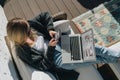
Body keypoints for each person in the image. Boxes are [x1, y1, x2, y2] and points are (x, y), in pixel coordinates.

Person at [7, 12, 120, 80]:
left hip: (62, 43)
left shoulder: (29, 25)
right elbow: (43, 65)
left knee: (95, 49)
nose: (30, 29)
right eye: (27, 30)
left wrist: (50, 29)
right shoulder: (22, 51)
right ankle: (117, 57)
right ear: (20, 36)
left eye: (28, 26)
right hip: (58, 60)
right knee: (93, 55)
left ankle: (117, 57)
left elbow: (45, 15)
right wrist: (50, 48)